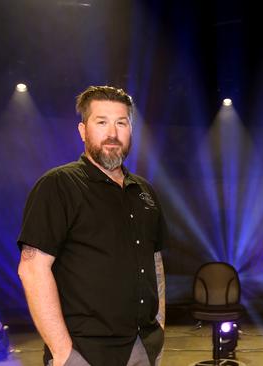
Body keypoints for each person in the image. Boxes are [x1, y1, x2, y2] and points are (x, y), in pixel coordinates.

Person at [17, 86, 166, 366]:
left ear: (130, 129)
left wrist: (158, 331)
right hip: (83, 353)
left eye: (121, 122)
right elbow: (32, 269)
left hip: (142, 347)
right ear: (83, 131)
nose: (113, 133)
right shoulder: (58, 185)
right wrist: (63, 353)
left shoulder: (144, 192)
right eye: (102, 122)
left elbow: (155, 262)